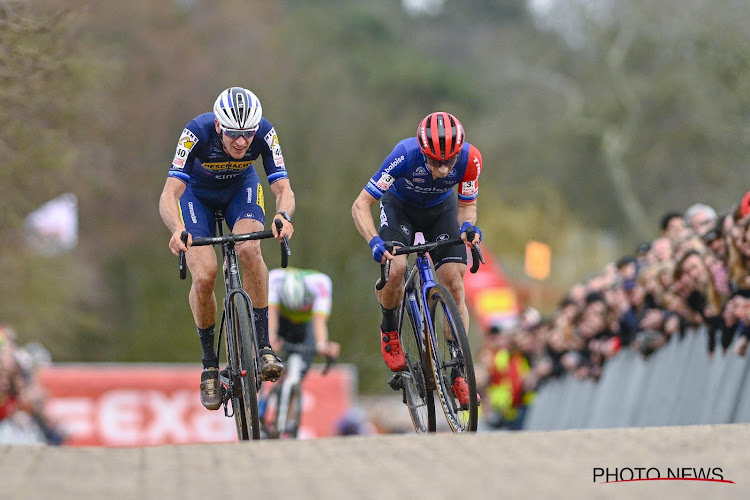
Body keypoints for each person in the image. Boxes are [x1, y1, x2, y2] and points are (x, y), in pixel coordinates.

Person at [159, 87, 295, 411]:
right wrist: (177, 229)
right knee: (205, 276)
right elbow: (169, 194)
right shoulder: (196, 132)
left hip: (240, 191)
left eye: (247, 135)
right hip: (196, 197)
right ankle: (209, 364)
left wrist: (283, 215)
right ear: (219, 127)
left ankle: (263, 347)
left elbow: (282, 187)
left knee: (250, 250)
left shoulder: (265, 132)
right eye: (234, 134)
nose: (242, 142)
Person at [351, 111, 482, 406]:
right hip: (400, 209)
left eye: (450, 160)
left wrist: (468, 227)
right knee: (396, 267)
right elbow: (360, 205)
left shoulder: (470, 159)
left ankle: (459, 370)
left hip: (441, 211)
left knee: (455, 281)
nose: (445, 168)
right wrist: (373, 240)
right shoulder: (404, 155)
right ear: (423, 153)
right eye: (436, 161)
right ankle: (389, 328)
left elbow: (467, 205)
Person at [267, 267, 340, 376]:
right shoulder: (274, 279)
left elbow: (319, 321)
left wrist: (322, 345)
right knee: (264, 347)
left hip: (306, 324)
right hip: (281, 319)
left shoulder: (321, 284)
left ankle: (294, 386)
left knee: (301, 370)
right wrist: (271, 337)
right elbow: (271, 313)